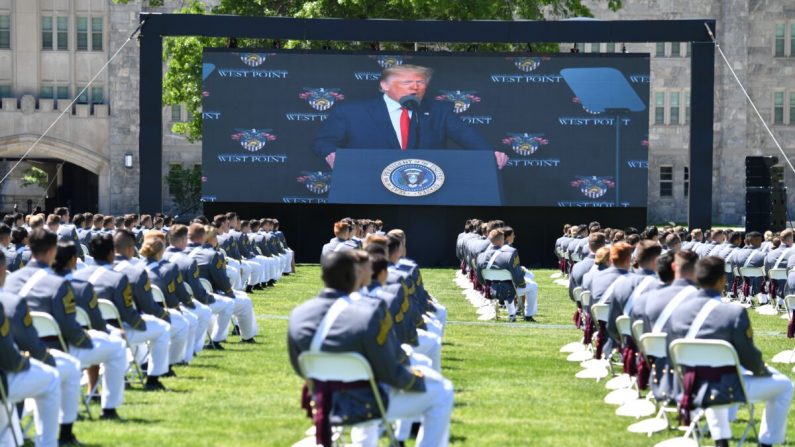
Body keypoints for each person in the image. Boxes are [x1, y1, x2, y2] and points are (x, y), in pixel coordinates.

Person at [288, 251, 454, 447]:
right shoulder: (370, 311)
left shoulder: (298, 314)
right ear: (356, 275)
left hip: (324, 401)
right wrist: (414, 380)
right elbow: (389, 371)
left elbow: (301, 368)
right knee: (442, 390)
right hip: (366, 401)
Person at [664, 257, 793, 447]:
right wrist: (761, 371)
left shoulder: (678, 309)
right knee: (784, 385)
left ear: (697, 279)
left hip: (688, 384)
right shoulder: (733, 312)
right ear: (722, 280)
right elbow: (748, 356)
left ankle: (721, 439)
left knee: (717, 371)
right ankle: (767, 442)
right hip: (726, 386)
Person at [5, 228, 128, 421]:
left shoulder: (11, 279)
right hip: (54, 347)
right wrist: (85, 340)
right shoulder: (58, 284)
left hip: (13, 348)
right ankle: (98, 413)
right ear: (52, 252)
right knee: (117, 347)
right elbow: (69, 328)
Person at [312, 64, 507, 170]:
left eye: (420, 82)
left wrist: (490, 155)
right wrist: (331, 154)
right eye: (407, 82)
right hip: (368, 186)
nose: (415, 87)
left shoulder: (440, 111)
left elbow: (468, 138)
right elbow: (324, 142)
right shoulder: (351, 112)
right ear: (384, 86)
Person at [74, 233, 171, 391]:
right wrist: (140, 324)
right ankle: (153, 379)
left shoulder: (77, 275)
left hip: (82, 331)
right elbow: (128, 314)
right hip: (114, 329)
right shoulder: (120, 277)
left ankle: (117, 377)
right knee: (163, 329)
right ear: (112, 252)